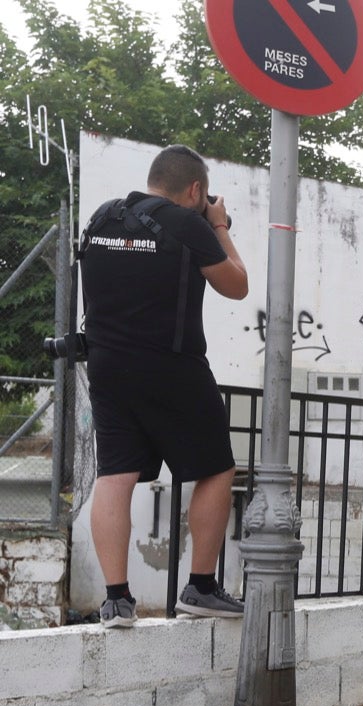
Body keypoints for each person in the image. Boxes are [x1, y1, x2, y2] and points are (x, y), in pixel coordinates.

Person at [78, 143, 248, 627]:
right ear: (195, 190)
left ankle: (116, 601)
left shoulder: (101, 219)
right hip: (172, 367)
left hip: (107, 367)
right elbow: (237, 284)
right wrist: (218, 223)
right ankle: (200, 587)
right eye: (204, 195)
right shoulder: (187, 223)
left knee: (116, 476)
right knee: (217, 469)